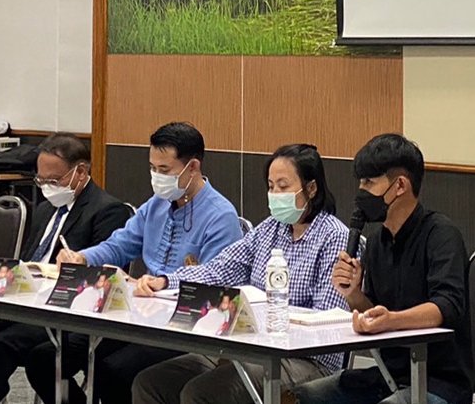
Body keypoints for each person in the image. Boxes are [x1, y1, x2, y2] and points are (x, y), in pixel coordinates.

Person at [131, 143, 349, 404]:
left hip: (305, 360)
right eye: (271, 187)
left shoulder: (334, 236)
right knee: (150, 383)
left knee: (202, 393)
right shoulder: (270, 228)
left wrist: (265, 320)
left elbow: (328, 323)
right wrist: (166, 281)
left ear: (311, 188)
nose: (275, 194)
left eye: (283, 186)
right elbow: (221, 268)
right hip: (249, 346)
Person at [56, 121, 243, 404]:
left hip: (184, 328)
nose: (156, 177)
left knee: (112, 371)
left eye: (164, 170)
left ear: (192, 167)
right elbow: (120, 244)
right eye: (153, 168)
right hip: (141, 316)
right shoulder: (156, 204)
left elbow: (215, 286)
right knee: (57, 354)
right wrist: (83, 257)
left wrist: (154, 286)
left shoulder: (220, 216)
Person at [0, 133, 128, 404]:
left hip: (62, 309)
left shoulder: (107, 210)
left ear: (81, 172)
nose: (46, 187)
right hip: (24, 299)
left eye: (54, 180)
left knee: (0, 347)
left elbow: (102, 276)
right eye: (41, 180)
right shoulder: (45, 209)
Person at [294, 134, 471, 404]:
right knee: (303, 396)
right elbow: (374, 311)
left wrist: (392, 320)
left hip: (438, 382)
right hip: (388, 376)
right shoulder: (377, 243)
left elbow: (446, 307)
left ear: (399, 185)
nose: (361, 192)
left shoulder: (441, 235)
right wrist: (354, 295)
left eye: (369, 182)